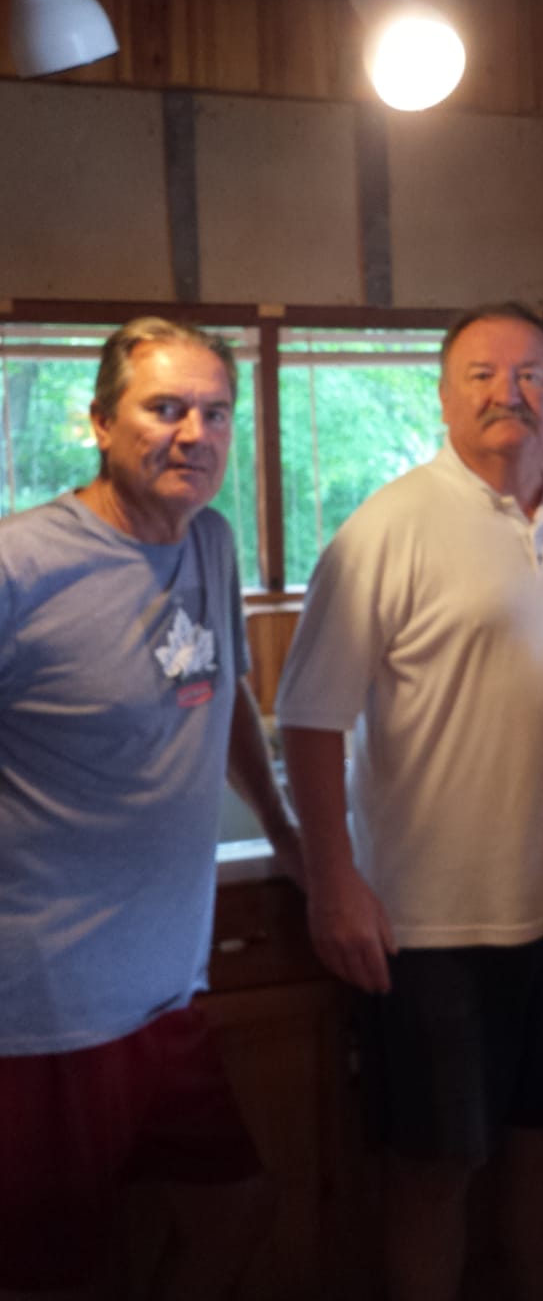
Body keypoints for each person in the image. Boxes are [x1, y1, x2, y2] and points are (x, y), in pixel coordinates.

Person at [276, 301, 543, 1301]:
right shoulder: (387, 527)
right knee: (434, 1170)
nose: (510, 393)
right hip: (430, 924)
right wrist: (333, 881)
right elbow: (309, 718)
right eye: (483, 375)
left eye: (533, 374)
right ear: (445, 399)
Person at [0, 317, 304, 1301]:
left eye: (215, 412)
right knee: (54, 1272)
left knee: (237, 1208)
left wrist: (289, 833)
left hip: (165, 992)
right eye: (164, 407)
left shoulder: (208, 538)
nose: (194, 434)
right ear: (100, 422)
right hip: (47, 1009)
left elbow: (225, 695)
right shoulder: (22, 566)